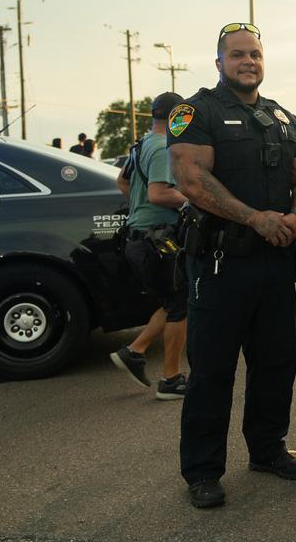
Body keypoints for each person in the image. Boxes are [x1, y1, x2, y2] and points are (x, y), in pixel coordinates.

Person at [167, 22, 296, 508]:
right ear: (219, 63)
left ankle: (267, 450)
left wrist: (293, 215)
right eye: (237, 55)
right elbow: (191, 179)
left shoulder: (282, 117)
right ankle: (203, 472)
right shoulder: (197, 112)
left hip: (275, 262)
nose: (247, 61)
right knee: (212, 371)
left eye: (254, 54)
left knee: (276, 364)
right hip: (219, 263)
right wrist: (255, 218)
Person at [110, 91, 190, 400]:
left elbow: (122, 181)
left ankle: (135, 350)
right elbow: (159, 193)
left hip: (141, 236)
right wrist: (196, 201)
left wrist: (137, 207)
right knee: (179, 305)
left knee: (174, 301)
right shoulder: (161, 147)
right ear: (177, 117)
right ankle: (170, 379)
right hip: (156, 239)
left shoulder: (141, 144)